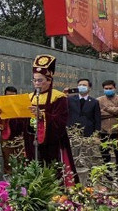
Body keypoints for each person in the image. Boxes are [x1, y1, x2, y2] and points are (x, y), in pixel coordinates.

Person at [25, 54, 78, 186]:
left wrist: (42, 116)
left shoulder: (58, 97)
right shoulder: (29, 97)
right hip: (33, 142)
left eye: (40, 80)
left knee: (55, 170)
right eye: (34, 80)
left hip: (53, 141)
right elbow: (21, 122)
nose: (37, 83)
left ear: (49, 80)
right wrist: (2, 113)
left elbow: (61, 120)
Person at [0, 85, 32, 174]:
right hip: (7, 140)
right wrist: (2, 127)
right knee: (8, 163)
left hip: (20, 139)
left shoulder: (21, 106)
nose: (10, 98)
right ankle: (9, 185)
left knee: (22, 162)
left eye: (12, 96)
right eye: (8, 96)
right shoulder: (0, 108)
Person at [98, 80, 118, 174]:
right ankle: (108, 173)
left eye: (110, 88)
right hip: (104, 131)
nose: (108, 90)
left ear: (115, 88)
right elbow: (98, 114)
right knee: (105, 153)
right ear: (103, 89)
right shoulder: (99, 100)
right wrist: (113, 112)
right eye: (106, 89)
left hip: (117, 131)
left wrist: (106, 109)